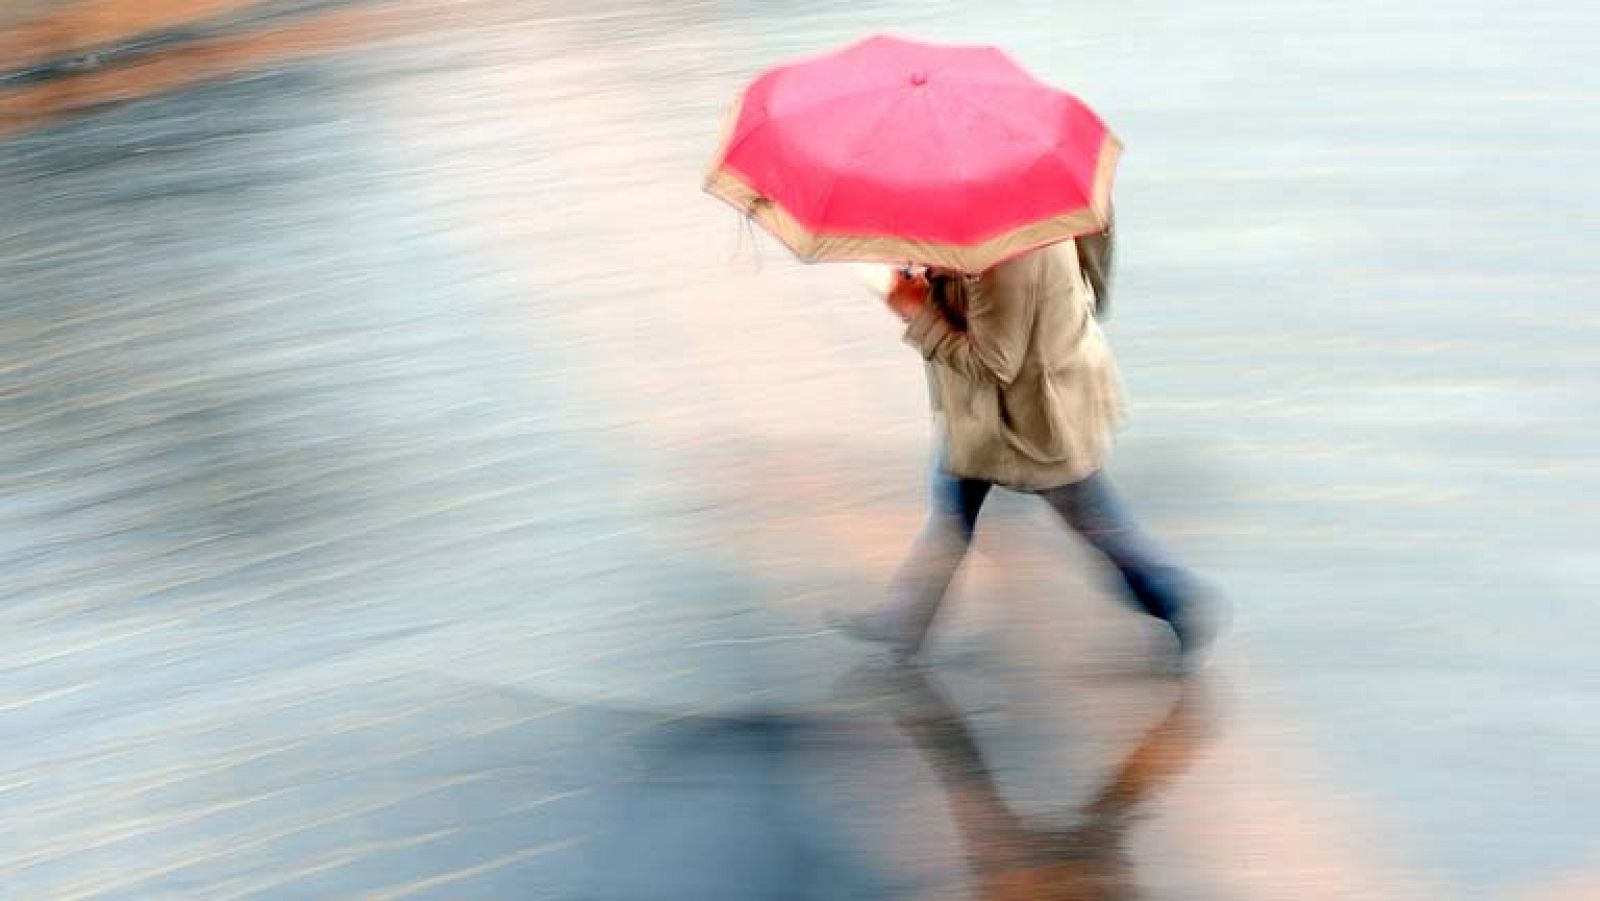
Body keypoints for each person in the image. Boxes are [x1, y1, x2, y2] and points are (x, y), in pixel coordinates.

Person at [837, 225, 1215, 668]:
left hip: (1032, 423)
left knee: (1095, 522)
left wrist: (916, 311)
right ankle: (902, 621)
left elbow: (996, 362)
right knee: (952, 507)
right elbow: (1095, 264)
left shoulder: (1006, 256)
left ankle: (1175, 600)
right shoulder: (1037, 215)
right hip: (992, 414)